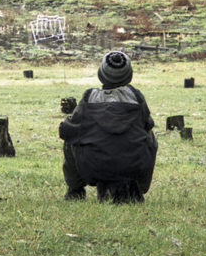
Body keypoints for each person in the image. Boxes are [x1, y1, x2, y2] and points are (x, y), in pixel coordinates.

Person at [58, 50, 157, 203]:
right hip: (131, 167)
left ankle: (75, 191)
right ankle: (139, 187)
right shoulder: (136, 96)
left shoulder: (89, 97)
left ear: (101, 74)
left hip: (94, 168)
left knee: (71, 138)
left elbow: (67, 130)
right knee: (150, 137)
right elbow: (147, 124)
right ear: (129, 75)